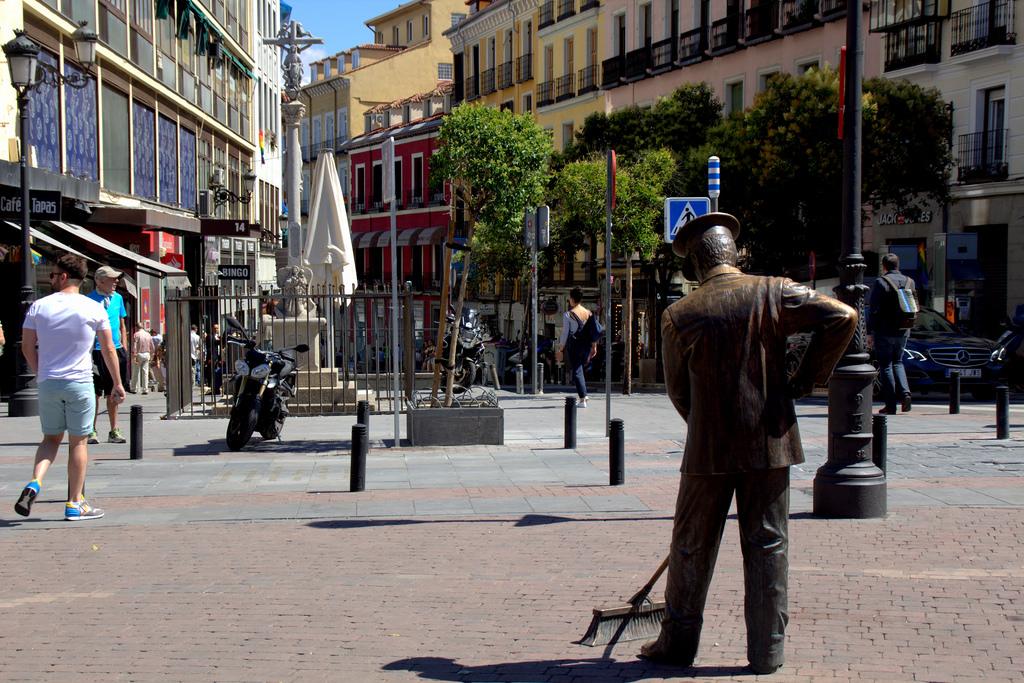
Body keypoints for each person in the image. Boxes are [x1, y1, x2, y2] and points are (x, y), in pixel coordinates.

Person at [643, 213, 856, 674]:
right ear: (733, 254)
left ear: (698, 263)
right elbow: (843, 316)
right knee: (768, 545)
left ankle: (678, 644)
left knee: (690, 546)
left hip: (708, 450)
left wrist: (708, 425)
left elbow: (679, 393)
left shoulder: (680, 314)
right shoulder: (774, 291)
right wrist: (805, 380)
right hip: (770, 441)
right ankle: (767, 651)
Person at [14, 253, 125, 521]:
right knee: (78, 442)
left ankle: (35, 482)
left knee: (50, 439)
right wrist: (118, 383)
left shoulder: (39, 307)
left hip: (49, 382)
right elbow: (109, 348)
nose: (51, 278)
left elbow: (27, 346)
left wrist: (41, 372)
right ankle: (75, 502)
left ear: (64, 276)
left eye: (52, 275)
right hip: (80, 382)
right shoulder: (93, 308)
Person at [868, 253, 916, 415]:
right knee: (898, 362)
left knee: (886, 365)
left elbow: (873, 309)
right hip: (904, 329)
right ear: (898, 265)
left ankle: (890, 404)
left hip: (884, 330)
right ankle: (905, 393)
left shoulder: (881, 282)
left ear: (884, 266)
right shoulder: (910, 282)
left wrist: (870, 331)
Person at [86, 265, 129, 444]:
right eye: (112, 279)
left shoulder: (118, 298)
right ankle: (91, 430)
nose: (116, 281)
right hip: (95, 351)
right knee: (94, 393)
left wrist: (124, 348)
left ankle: (114, 430)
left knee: (114, 390)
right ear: (100, 280)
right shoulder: (88, 300)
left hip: (116, 350)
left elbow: (122, 324)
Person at [555, 287, 598, 407]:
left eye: (569, 298)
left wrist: (561, 349)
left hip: (575, 345)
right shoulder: (588, 313)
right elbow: (592, 332)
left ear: (572, 299)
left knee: (577, 370)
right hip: (587, 345)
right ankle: (584, 394)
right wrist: (594, 347)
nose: (569, 300)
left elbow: (565, 333)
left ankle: (583, 397)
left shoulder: (568, 315)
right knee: (580, 370)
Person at [131, 324, 154, 394]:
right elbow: (152, 346)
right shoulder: (148, 334)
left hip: (139, 354)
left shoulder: (136, 334)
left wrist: (134, 355)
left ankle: (134, 388)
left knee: (135, 371)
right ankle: (145, 389)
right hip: (147, 354)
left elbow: (135, 345)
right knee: (145, 372)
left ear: (136, 327)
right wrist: (152, 354)